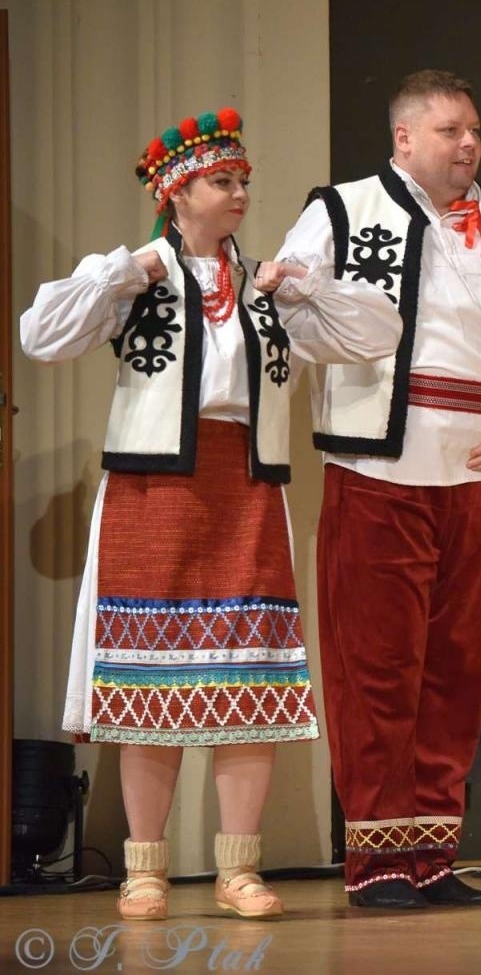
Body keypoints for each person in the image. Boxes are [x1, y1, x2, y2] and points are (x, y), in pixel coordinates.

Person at [20, 108, 401, 920]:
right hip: (153, 493)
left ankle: (238, 871)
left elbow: (378, 333)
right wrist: (126, 271)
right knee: (146, 684)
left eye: (243, 182)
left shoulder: (268, 285)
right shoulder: (136, 278)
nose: (239, 194)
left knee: (248, 680)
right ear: (178, 193)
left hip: (247, 490)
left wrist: (307, 285)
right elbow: (39, 336)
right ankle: (145, 870)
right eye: (223, 181)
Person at [274, 70, 481, 908]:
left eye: (476, 131)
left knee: (456, 669)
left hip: (479, 466)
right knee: (376, 666)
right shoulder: (343, 211)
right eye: (452, 130)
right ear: (404, 139)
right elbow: (291, 315)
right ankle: (377, 859)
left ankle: (430, 854)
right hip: (381, 467)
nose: (469, 145)